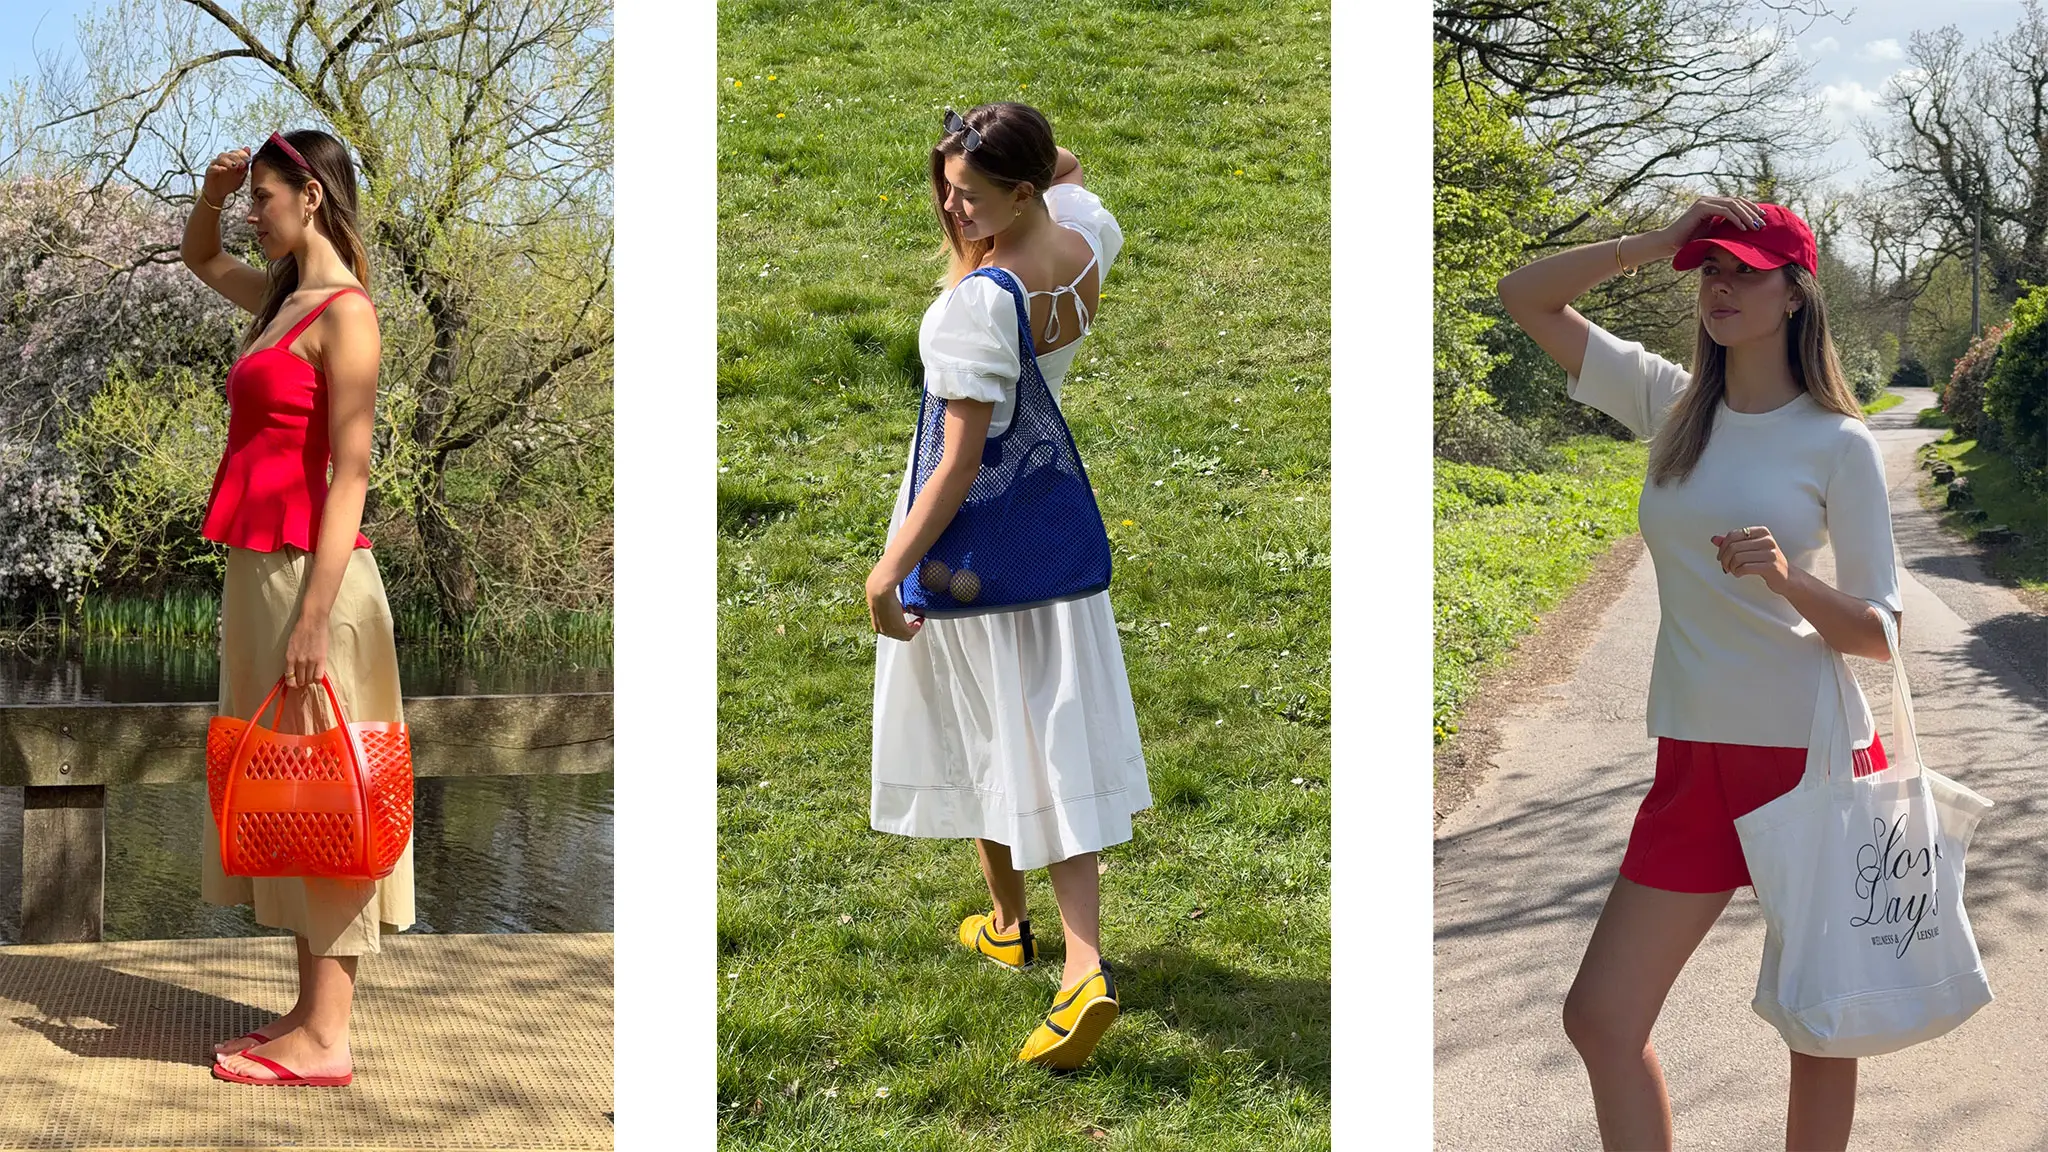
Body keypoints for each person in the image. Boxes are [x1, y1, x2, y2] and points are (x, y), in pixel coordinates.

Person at [1496, 197, 1903, 1151]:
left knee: (1819, 1023)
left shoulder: (1838, 443)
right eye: (1708, 270)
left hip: (1812, 761)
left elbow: (1880, 633)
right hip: (1694, 757)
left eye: (1743, 271)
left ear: (1795, 293)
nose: (1720, 287)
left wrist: (1786, 576)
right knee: (1600, 1018)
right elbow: (1525, 296)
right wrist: (1654, 242)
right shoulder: (1673, 404)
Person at [865, 102, 1150, 1071]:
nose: (949, 206)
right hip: (1050, 535)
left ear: (1017, 192)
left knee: (984, 731)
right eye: (948, 188)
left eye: (968, 193)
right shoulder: (1084, 239)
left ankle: (1043, 947)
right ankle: (1042, 943)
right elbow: (1072, 168)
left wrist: (888, 566)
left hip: (968, 546)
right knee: (1046, 744)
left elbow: (955, 463)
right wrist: (990, 152)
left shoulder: (975, 305)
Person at [179, 128, 413, 1088]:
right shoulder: (282, 303)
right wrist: (209, 189)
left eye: (263, 198)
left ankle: (326, 1040)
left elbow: (351, 477)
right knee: (291, 788)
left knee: (332, 785)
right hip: (260, 576)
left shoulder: (346, 315)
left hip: (315, 583)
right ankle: (309, 1014)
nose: (250, 213)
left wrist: (314, 618)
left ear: (311, 197)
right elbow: (200, 257)